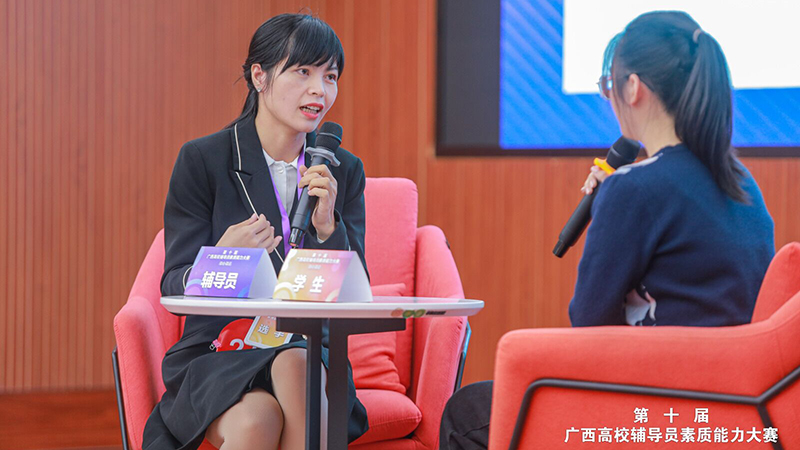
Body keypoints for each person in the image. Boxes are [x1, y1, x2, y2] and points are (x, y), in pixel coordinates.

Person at [439, 11, 774, 450]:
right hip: (733, 408)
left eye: (607, 85)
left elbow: (590, 330)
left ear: (632, 88)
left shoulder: (634, 188)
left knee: (466, 411)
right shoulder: (744, 184)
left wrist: (615, 199)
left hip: (650, 408)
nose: (609, 97)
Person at [142, 13, 369, 450]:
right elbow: (173, 282)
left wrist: (328, 230)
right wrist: (222, 256)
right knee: (256, 420)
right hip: (220, 348)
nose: (319, 90)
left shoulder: (343, 171)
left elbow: (357, 294)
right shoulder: (204, 160)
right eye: (302, 71)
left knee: (296, 364)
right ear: (259, 76)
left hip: (307, 348)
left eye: (330, 76)